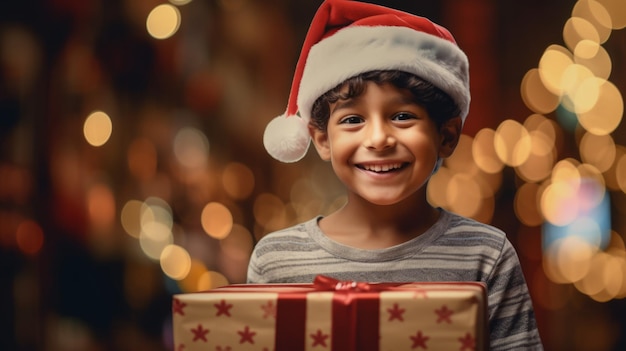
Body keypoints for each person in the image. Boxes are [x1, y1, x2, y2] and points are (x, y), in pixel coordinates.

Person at [247, 0, 543, 349]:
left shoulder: (487, 256)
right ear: (322, 140)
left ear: (446, 136)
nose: (378, 139)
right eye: (353, 119)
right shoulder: (276, 260)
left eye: (402, 116)